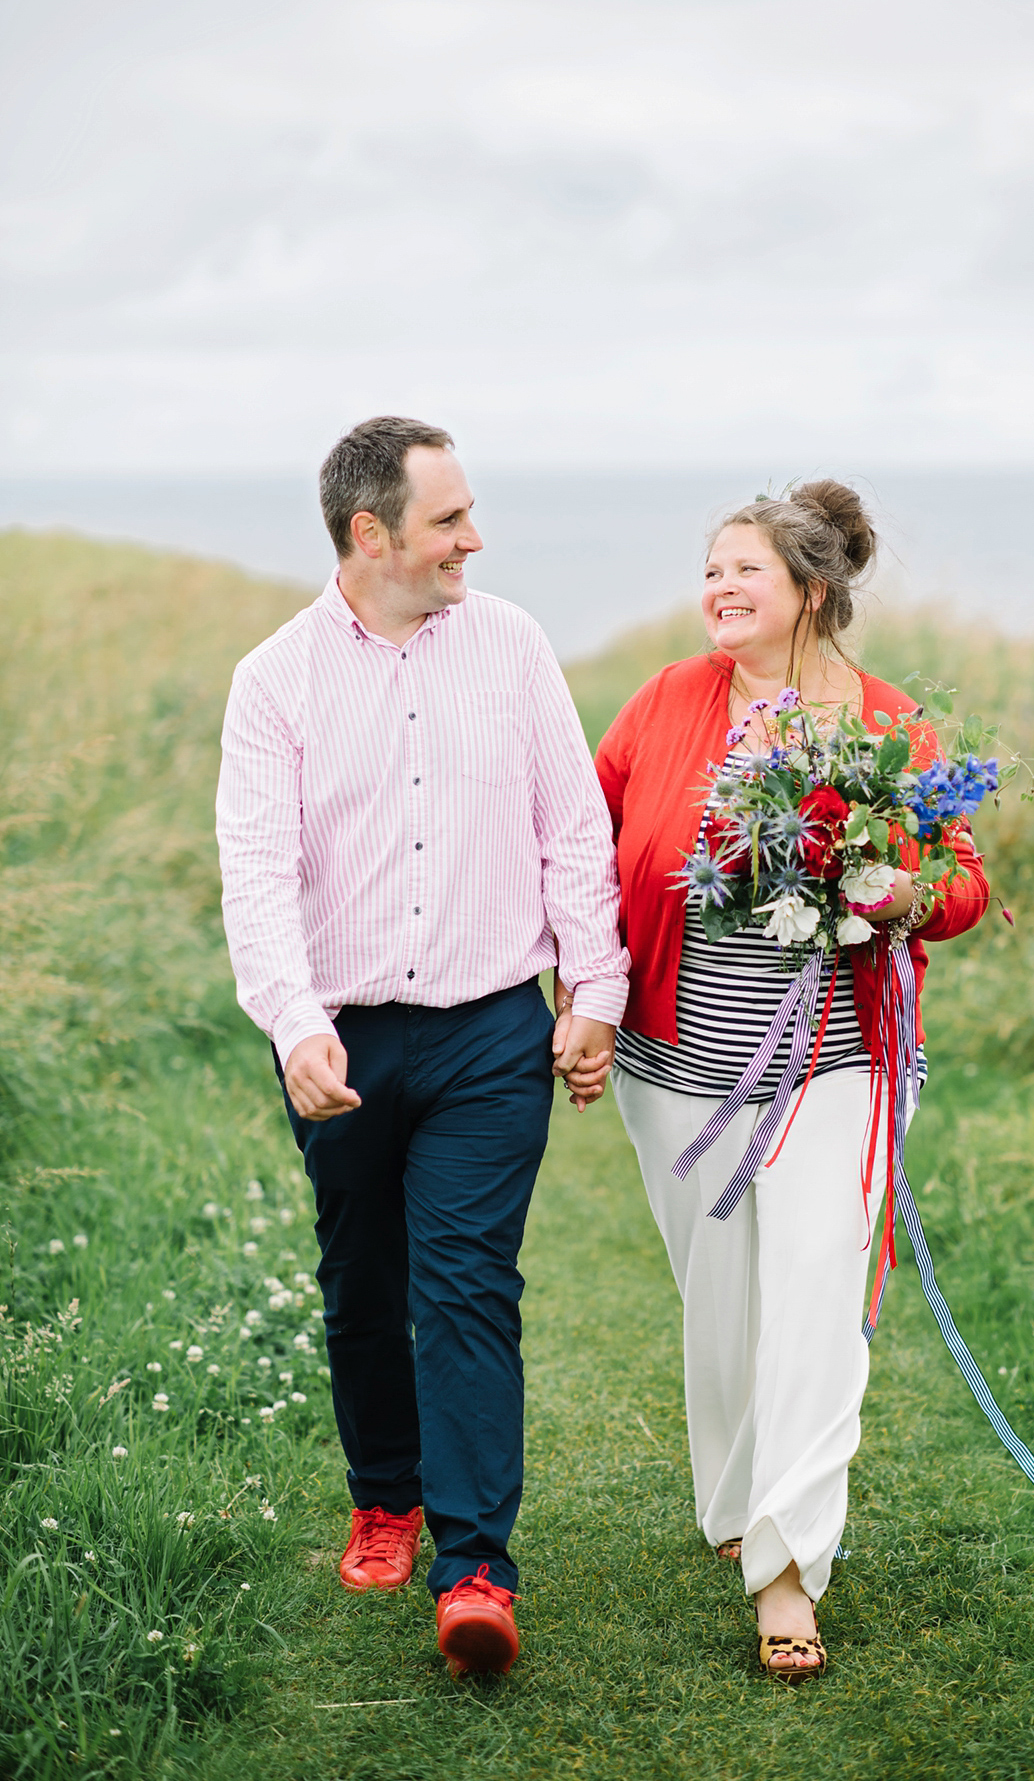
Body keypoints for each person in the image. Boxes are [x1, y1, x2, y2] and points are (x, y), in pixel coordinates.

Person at [215, 416, 627, 1678]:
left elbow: (573, 826)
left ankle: (477, 1567)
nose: (474, 539)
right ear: (371, 533)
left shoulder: (512, 647)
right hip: (339, 1040)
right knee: (363, 1280)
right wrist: (293, 1023)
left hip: (492, 1035)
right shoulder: (274, 678)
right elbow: (257, 873)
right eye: (449, 520)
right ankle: (384, 1494)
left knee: (463, 1284)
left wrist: (592, 990)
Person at [594, 481, 988, 1680]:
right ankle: (737, 1502)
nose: (718, 587)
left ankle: (787, 1568)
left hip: (839, 1063)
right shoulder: (665, 703)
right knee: (721, 1304)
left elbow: (961, 880)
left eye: (744, 571)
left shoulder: (891, 725)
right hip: (678, 1066)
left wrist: (897, 890)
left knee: (814, 1296)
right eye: (711, 568)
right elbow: (581, 847)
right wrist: (579, 994)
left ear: (810, 591)